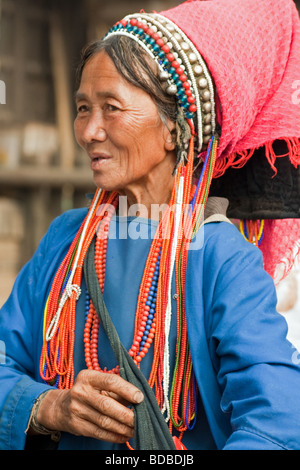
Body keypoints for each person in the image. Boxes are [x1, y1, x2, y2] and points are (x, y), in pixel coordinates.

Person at [0, 0, 300, 451]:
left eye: (111, 108)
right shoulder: (66, 239)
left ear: (174, 130)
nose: (88, 131)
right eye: (83, 108)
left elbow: (276, 422)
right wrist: (49, 407)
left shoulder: (219, 255)